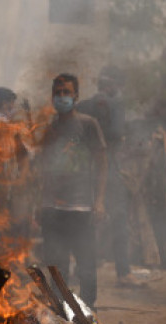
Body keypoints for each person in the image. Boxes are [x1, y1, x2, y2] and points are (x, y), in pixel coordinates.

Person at [36, 73, 107, 308]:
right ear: (52, 97)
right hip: (53, 209)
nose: (62, 97)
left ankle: (87, 312)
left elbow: (101, 163)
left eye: (67, 92)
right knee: (57, 266)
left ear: (76, 95)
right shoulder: (50, 129)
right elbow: (42, 169)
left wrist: (99, 201)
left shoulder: (87, 125)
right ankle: (62, 312)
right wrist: (39, 203)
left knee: (86, 265)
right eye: (58, 93)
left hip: (81, 207)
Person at [76, 66, 141, 287]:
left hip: (83, 169)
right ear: (113, 86)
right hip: (108, 167)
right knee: (119, 218)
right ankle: (124, 273)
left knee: (85, 219)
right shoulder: (116, 105)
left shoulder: (82, 106)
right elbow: (117, 134)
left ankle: (82, 269)